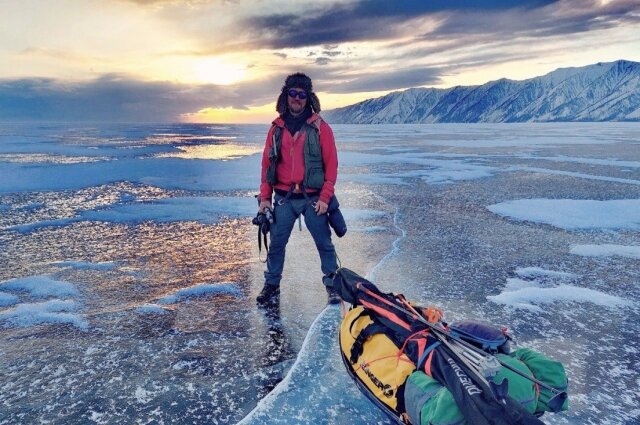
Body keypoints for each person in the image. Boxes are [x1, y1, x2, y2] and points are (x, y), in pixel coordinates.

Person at [256, 72, 340, 305]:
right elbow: (266, 165)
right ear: (286, 96)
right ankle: (272, 285)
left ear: (309, 98)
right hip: (283, 198)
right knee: (276, 245)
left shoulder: (321, 128)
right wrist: (265, 199)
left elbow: (331, 165)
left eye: (302, 94)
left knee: (324, 243)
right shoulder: (276, 129)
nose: (297, 98)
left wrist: (325, 197)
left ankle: (332, 285)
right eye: (293, 93)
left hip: (313, 199)